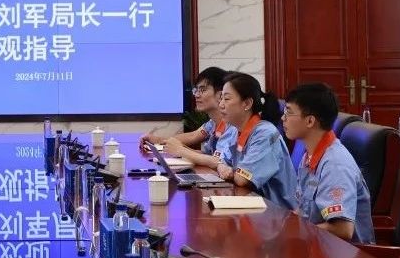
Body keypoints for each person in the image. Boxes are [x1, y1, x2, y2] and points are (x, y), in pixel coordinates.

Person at [282, 83, 375, 243]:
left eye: (289, 112)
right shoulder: (309, 156)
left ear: (310, 121)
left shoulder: (335, 165)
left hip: (345, 254)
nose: (283, 118)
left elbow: (343, 229)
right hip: (316, 245)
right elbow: (303, 211)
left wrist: (296, 232)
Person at [215, 72, 298, 209]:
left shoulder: (265, 133)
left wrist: (226, 169)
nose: (221, 105)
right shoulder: (237, 129)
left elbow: (242, 179)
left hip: (278, 214)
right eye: (221, 98)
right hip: (252, 205)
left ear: (247, 103)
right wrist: (221, 166)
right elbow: (222, 161)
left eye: (227, 99)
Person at [140, 67, 236, 167]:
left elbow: (220, 162)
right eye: (196, 90)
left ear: (220, 95)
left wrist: (181, 150)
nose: (196, 95)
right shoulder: (212, 123)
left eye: (202, 90)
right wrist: (158, 141)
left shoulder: (233, 125)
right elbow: (194, 137)